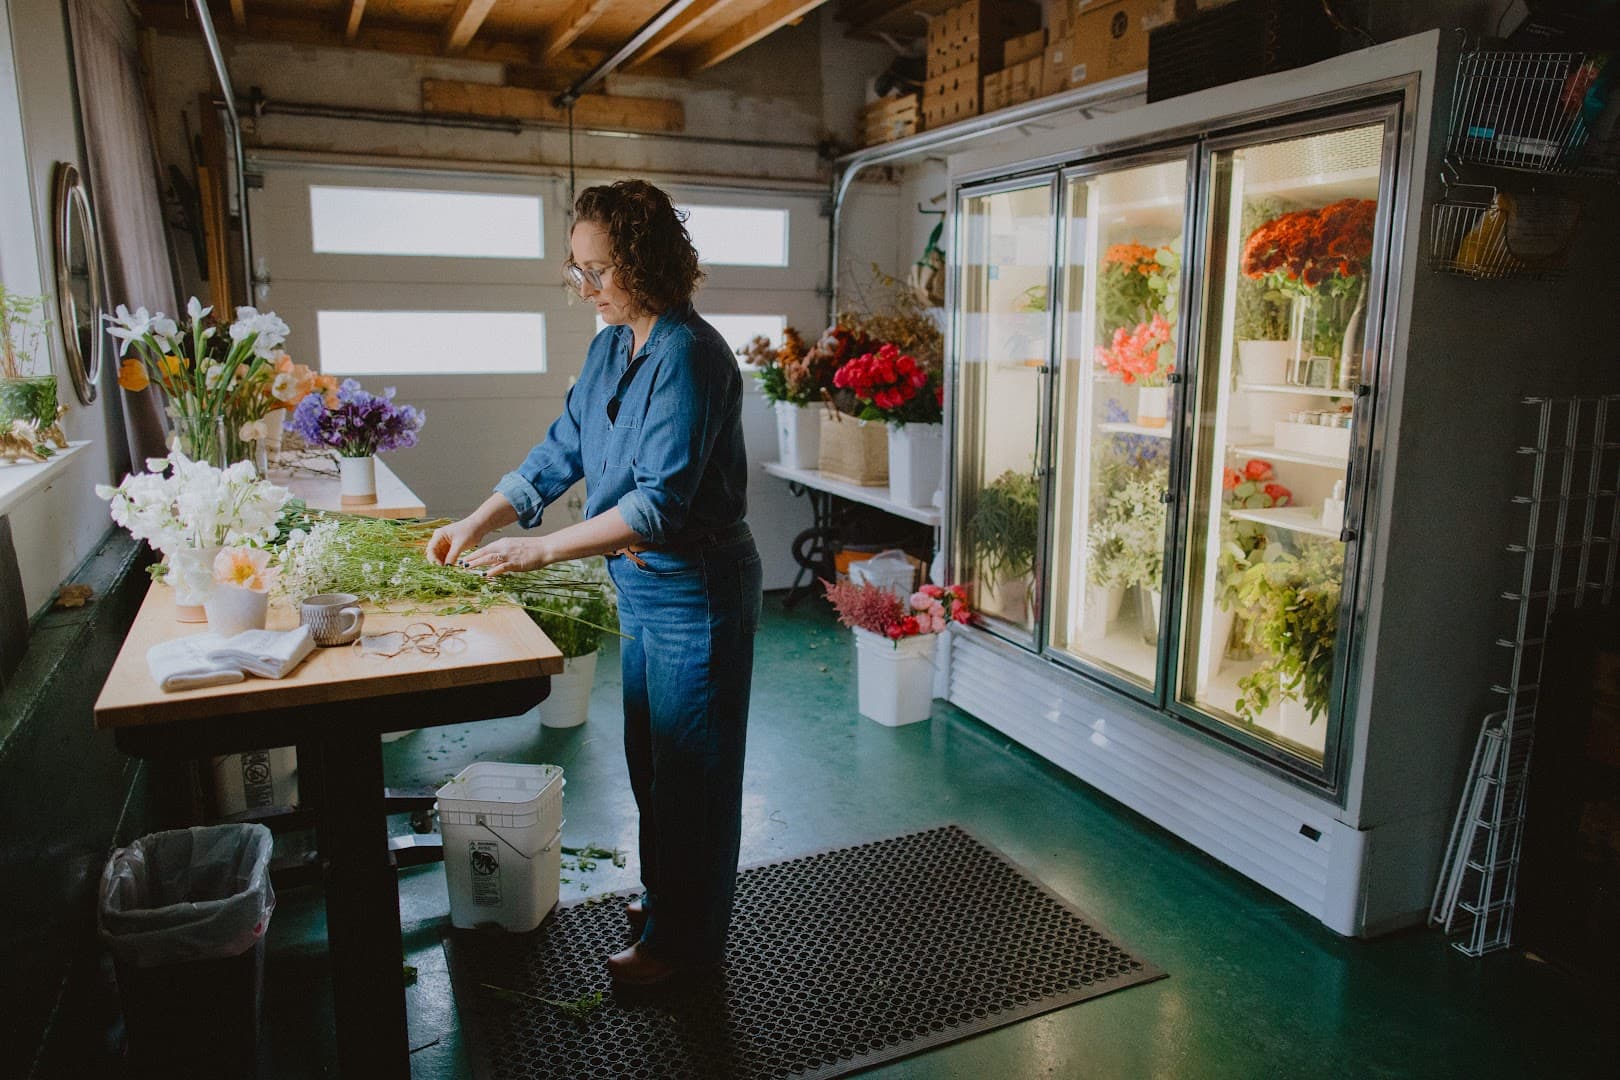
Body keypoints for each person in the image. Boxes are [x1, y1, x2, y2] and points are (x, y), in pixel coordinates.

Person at [425, 180, 762, 987]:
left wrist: (541, 554)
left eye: (598, 271)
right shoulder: (612, 345)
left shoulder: (690, 355)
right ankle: (674, 898)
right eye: (575, 270)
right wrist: (479, 520)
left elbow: (656, 503)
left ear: (646, 265)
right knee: (652, 759)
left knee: (695, 773)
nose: (585, 289)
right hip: (643, 584)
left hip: (696, 588)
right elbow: (564, 446)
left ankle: (686, 949)